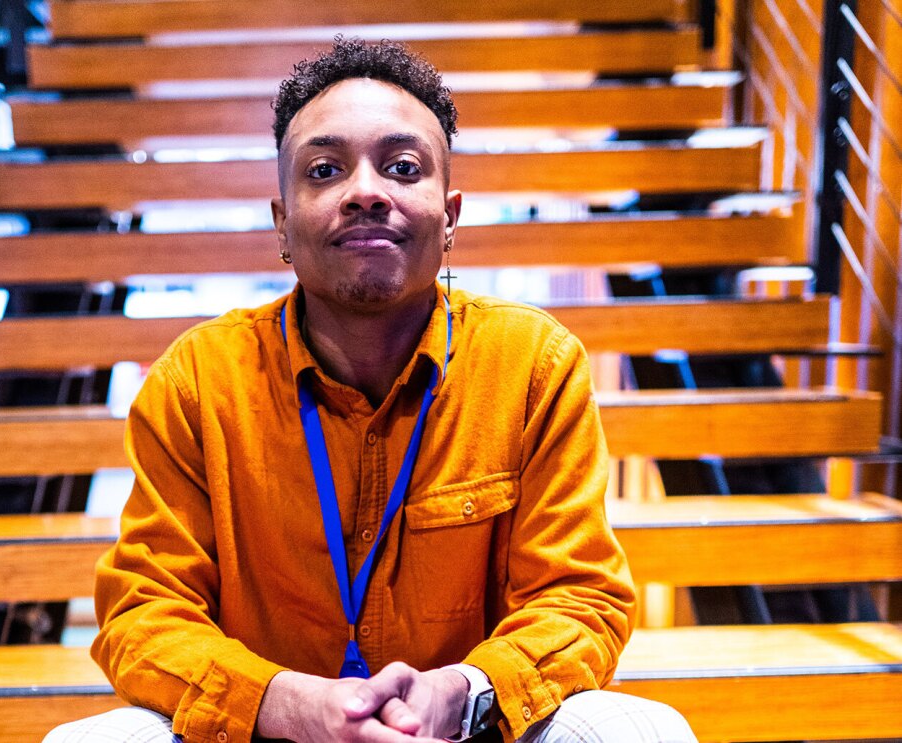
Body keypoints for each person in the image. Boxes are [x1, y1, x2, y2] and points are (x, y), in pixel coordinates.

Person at [45, 37, 697, 743]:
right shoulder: (197, 381)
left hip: (470, 729)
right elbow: (144, 612)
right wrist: (290, 704)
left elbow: (579, 597)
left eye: (402, 167)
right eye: (324, 169)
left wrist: (461, 692)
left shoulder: (533, 364)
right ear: (282, 224)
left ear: (449, 216)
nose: (365, 190)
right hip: (267, 730)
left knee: (636, 730)